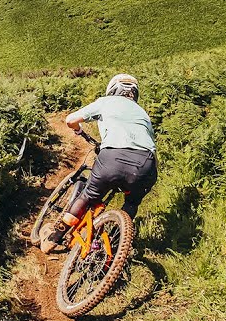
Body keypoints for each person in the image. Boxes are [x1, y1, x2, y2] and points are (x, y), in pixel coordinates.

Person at [40, 73, 158, 254]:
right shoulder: (143, 113)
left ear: (113, 89)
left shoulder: (106, 102)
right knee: (132, 203)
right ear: (135, 93)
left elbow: (70, 120)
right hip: (146, 165)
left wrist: (78, 130)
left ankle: (53, 239)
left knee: (88, 195)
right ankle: (117, 240)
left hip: (113, 157)